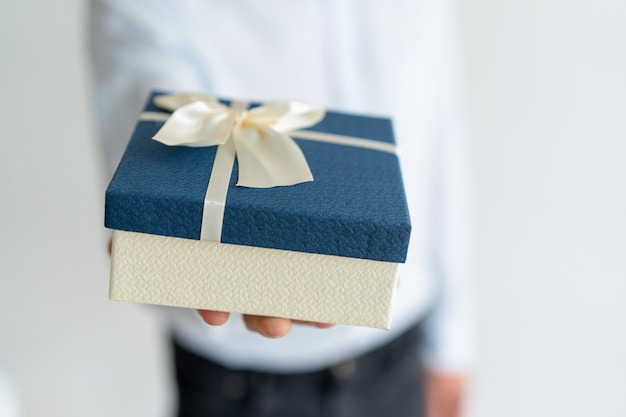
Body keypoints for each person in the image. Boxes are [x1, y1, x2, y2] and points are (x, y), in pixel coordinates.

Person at [89, 1, 473, 416]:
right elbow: (155, 126)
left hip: (400, 351)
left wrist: (454, 341)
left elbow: (441, 125)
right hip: (238, 380)